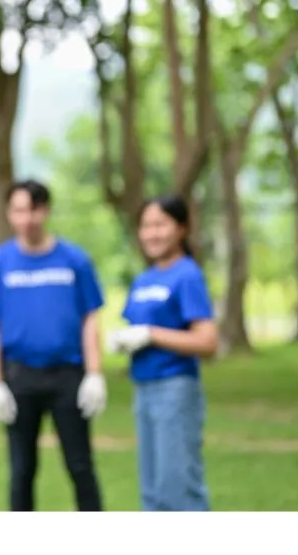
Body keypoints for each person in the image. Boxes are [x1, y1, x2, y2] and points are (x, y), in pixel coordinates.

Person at [0, 179, 107, 512]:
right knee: (22, 470)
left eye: (34, 209)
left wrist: (94, 373)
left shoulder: (75, 260)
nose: (27, 218)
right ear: (9, 213)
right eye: (19, 210)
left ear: (45, 210)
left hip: (68, 376)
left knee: (80, 466)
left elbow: (90, 317)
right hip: (19, 377)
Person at [107, 194, 218, 512]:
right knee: (153, 494)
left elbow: (207, 342)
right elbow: (137, 327)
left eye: (160, 224)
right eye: (146, 226)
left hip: (176, 389)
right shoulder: (144, 279)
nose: (151, 233)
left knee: (178, 489)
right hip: (143, 389)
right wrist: (125, 339)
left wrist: (152, 334)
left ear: (182, 228)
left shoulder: (187, 275)